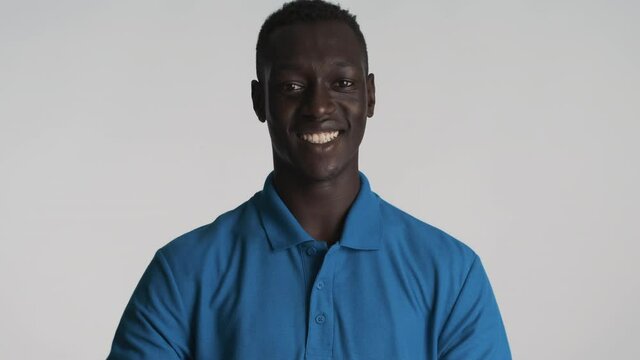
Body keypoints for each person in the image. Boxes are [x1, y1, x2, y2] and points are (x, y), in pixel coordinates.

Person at [107, 1, 511, 359]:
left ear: (370, 96)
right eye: (292, 87)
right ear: (258, 101)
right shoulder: (182, 274)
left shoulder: (451, 274)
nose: (318, 106)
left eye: (343, 83)